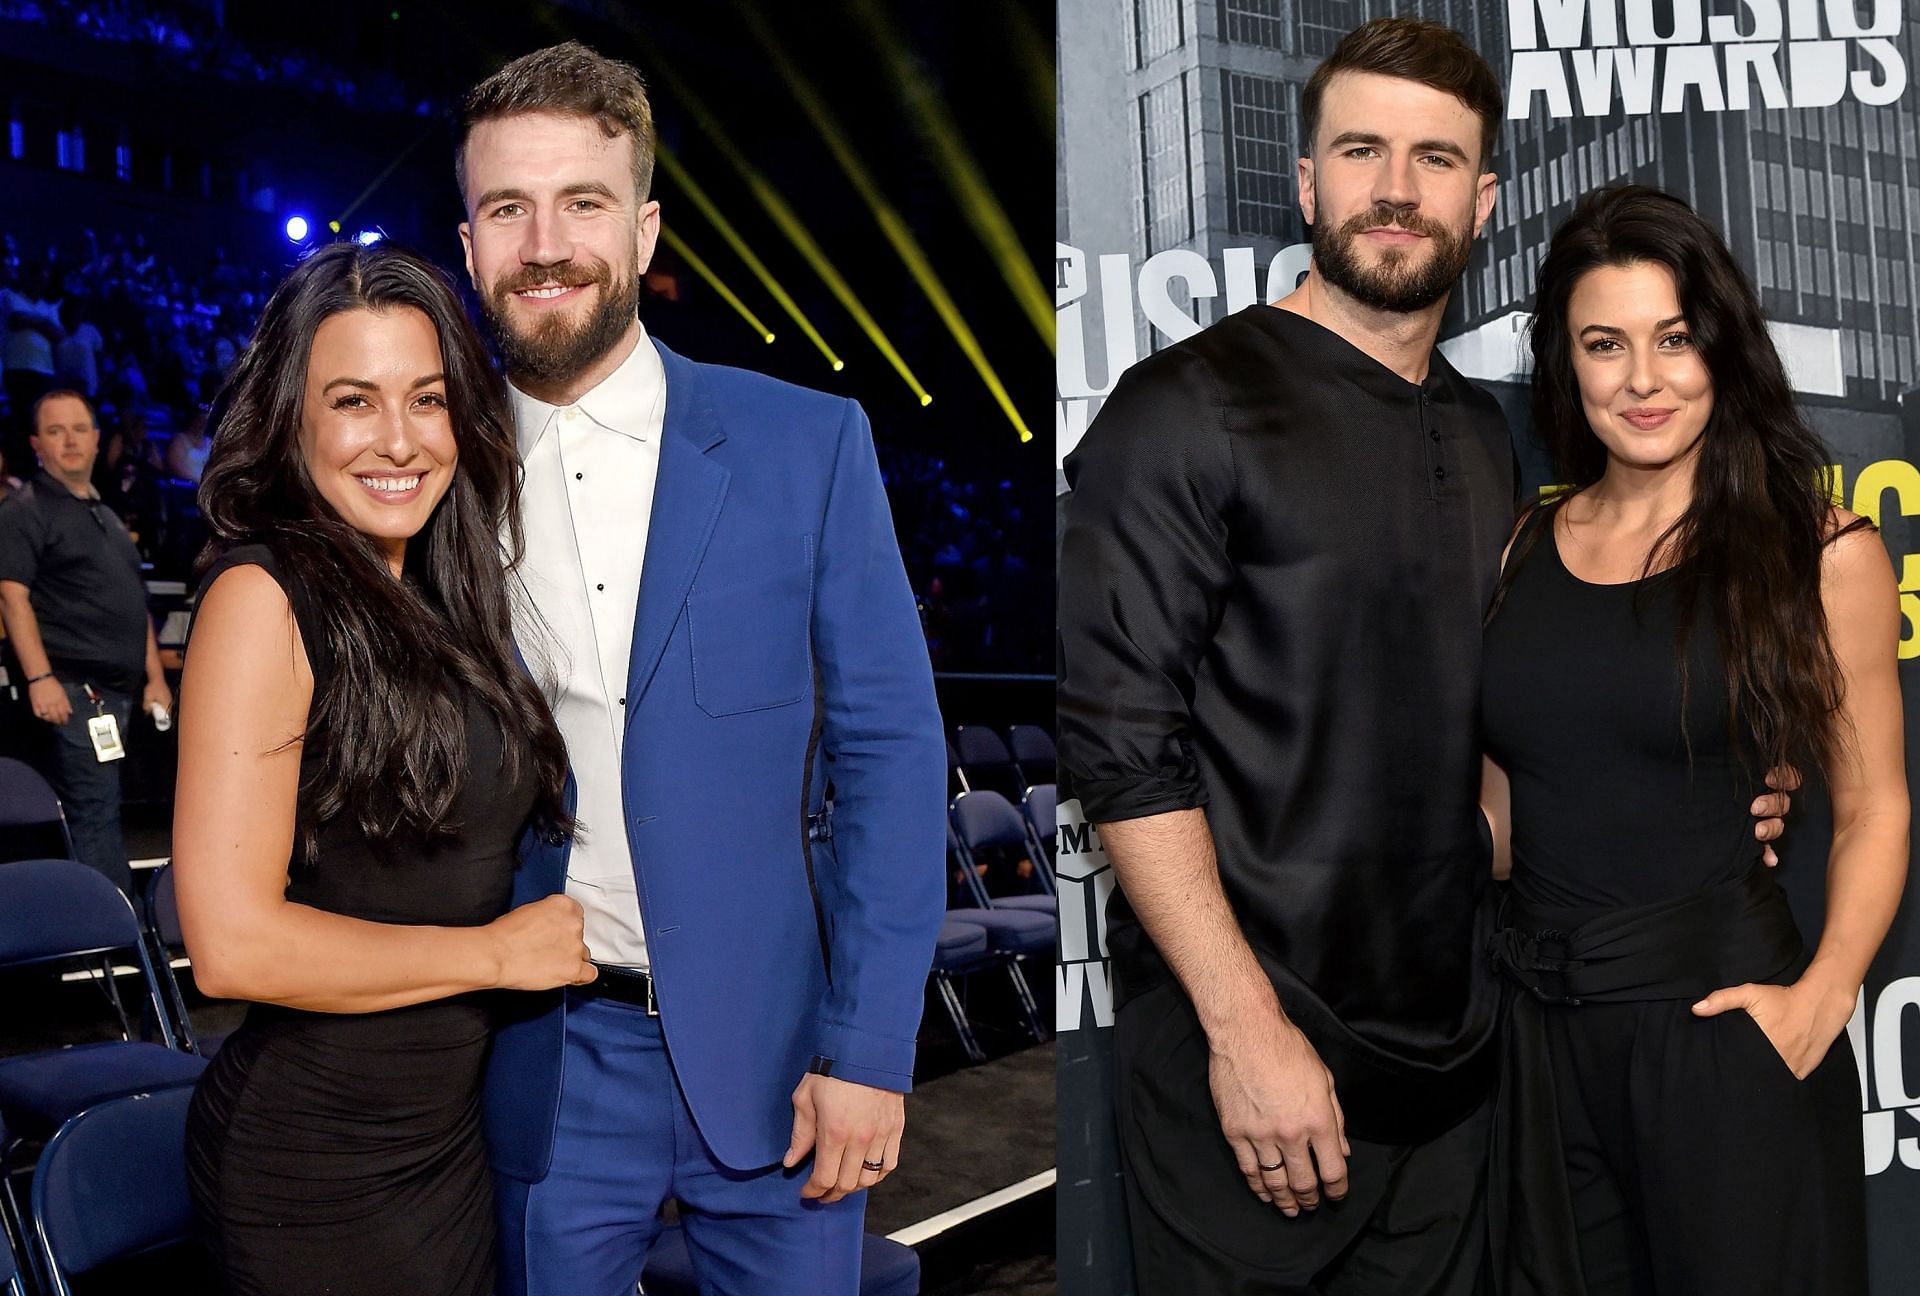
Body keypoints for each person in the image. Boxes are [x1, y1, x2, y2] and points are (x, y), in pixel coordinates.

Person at [1056, 20, 1789, 1294]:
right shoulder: (1183, 409)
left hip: (1463, 1078)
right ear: (1307, 183)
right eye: (1362, 149)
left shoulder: (1493, 433)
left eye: (1436, 158)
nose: (1397, 187)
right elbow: (1124, 752)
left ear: (1482, 197)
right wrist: (1247, 1032)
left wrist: (1704, 799)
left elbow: (1513, 723)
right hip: (1255, 1073)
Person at [454, 42, 946, 1295]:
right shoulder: (431, 475)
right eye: (509, 208)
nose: (546, 242)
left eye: (584, 203)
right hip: (540, 1066)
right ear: (469, 246)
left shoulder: (808, 441)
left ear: (646, 226)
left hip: (784, 1059)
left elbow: (890, 759)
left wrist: (873, 1050)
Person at [1479, 184, 1906, 1296]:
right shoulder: (1525, 543)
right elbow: (1505, 815)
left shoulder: (1817, 552)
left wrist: (1824, 999)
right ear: (1565, 364)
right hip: (1540, 1051)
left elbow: (1874, 808)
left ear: (1721, 345)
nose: (1643, 379)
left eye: (1675, 339)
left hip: (1720, 1036)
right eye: (1604, 343)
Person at [173, 240, 597, 1296]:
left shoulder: (449, 600)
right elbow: (229, 947)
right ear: (293, 420)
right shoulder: (261, 598)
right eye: (355, 402)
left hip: (444, 1146)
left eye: (428, 399)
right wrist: (496, 957)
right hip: (316, 1165)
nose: (400, 439)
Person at [0, 388, 171, 893]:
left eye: (79, 429)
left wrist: (156, 678)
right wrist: (40, 676)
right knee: (93, 814)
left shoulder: (107, 515)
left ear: (98, 440)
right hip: (73, 690)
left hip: (114, 693)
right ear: (36, 444)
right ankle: (114, 936)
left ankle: (113, 927)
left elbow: (133, 602)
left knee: (103, 808)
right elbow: (11, 597)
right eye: (55, 431)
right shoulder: (24, 510)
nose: (70, 440)